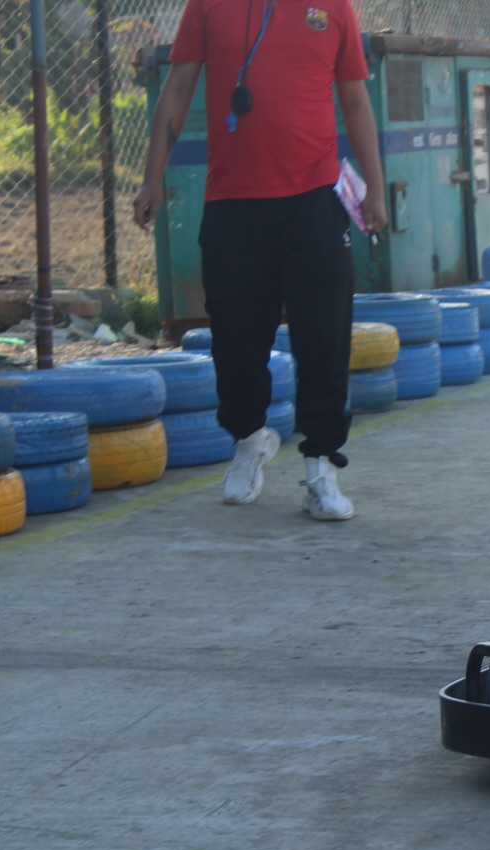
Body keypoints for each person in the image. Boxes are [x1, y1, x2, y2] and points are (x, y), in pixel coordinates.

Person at [133, 0, 388, 521]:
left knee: (323, 334)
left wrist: (376, 189)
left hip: (316, 199)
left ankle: (321, 465)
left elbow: (355, 99)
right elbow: (178, 87)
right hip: (233, 200)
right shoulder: (207, 6)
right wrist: (152, 176)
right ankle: (250, 440)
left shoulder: (332, 8)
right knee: (235, 335)